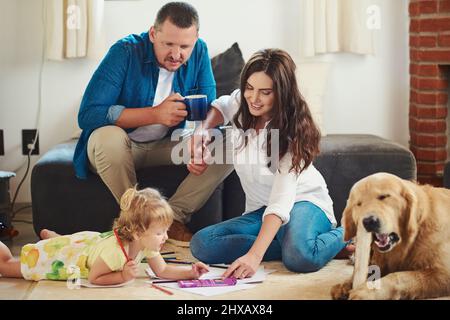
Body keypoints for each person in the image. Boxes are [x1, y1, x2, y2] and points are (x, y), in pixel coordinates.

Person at [73, 2, 233, 242]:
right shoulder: (125, 51)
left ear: (196, 39)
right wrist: (155, 114)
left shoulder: (199, 51)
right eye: (168, 44)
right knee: (107, 137)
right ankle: (137, 218)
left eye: (184, 46)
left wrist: (200, 137)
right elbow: (88, 114)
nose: (176, 54)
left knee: (234, 139)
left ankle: (172, 218)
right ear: (152, 34)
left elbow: (209, 110)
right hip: (122, 146)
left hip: (167, 144)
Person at [189, 49, 355, 278]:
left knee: (300, 259)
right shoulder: (244, 102)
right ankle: (307, 244)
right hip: (260, 210)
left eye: (265, 92)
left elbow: (280, 201)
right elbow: (224, 104)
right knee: (202, 244)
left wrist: (254, 256)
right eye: (249, 88)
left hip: (303, 202)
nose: (253, 99)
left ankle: (349, 230)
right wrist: (202, 130)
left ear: (281, 93)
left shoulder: (291, 134)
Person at [0, 187, 209, 285]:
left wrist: (190, 272)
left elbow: (162, 270)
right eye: (160, 232)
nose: (165, 237)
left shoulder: (146, 243)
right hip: (75, 257)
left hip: (89, 243)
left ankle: (55, 238)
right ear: (137, 232)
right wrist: (122, 276)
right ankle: (45, 244)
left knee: (67, 242)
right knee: (9, 267)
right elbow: (94, 277)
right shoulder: (115, 254)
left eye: (165, 230)